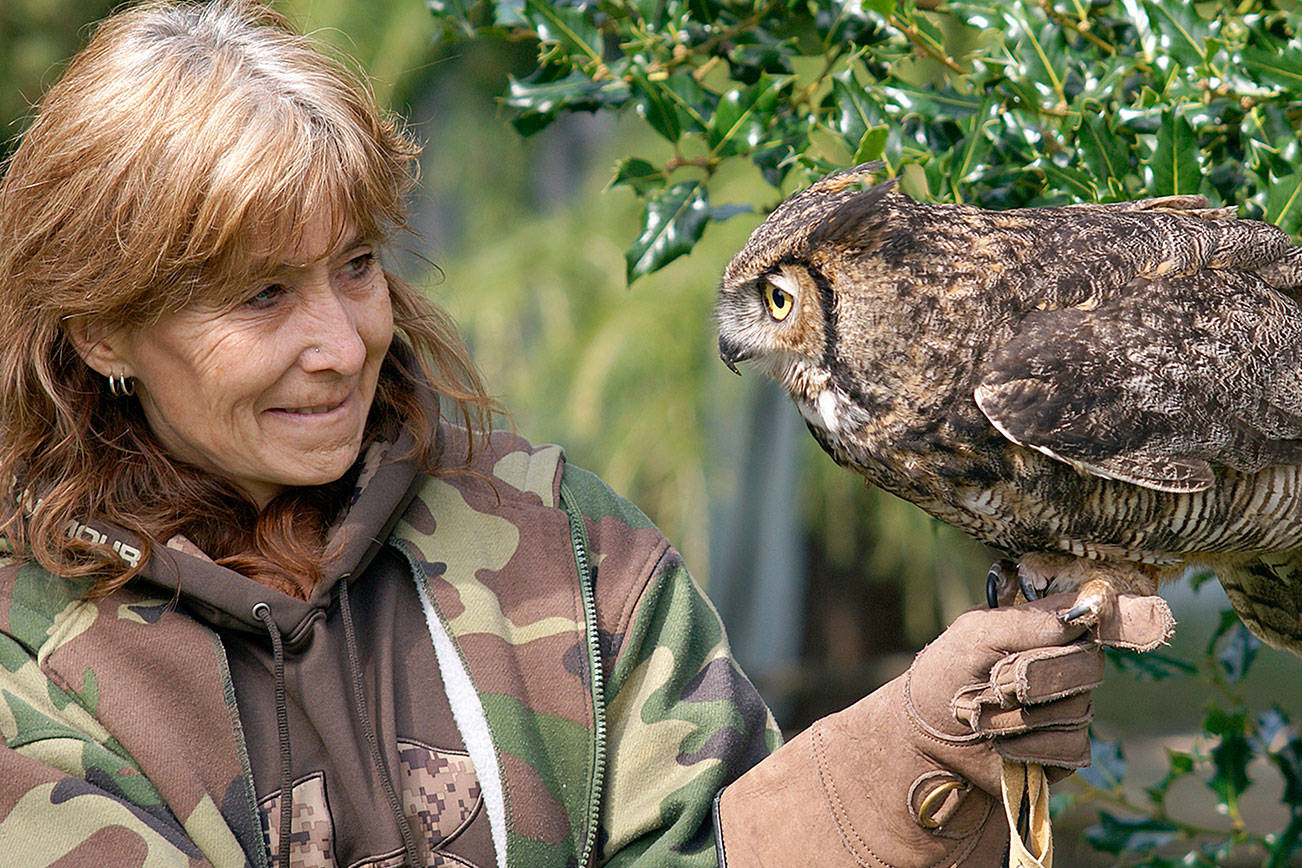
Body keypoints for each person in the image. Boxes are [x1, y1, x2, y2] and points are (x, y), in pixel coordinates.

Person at [0, 1, 1174, 866]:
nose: (344, 342)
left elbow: (715, 848)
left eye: (356, 266)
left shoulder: (560, 543)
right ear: (104, 328)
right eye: (261, 297)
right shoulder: (28, 665)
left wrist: (906, 761)